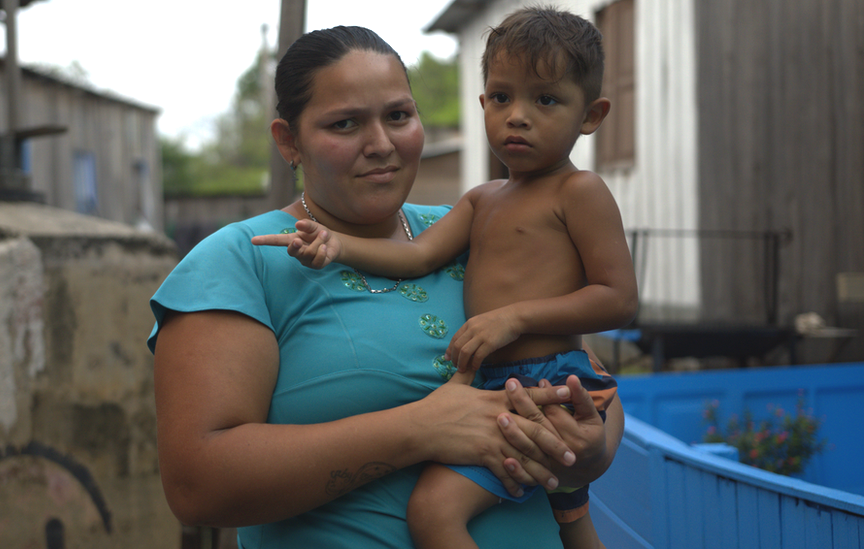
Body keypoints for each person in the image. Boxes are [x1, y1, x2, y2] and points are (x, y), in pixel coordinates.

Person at [150, 24, 624, 549]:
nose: (381, 144)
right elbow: (198, 486)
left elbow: (581, 368)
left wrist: (590, 450)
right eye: (345, 123)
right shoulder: (242, 262)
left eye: (398, 116)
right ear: (289, 141)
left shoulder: (474, 231)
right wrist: (419, 428)